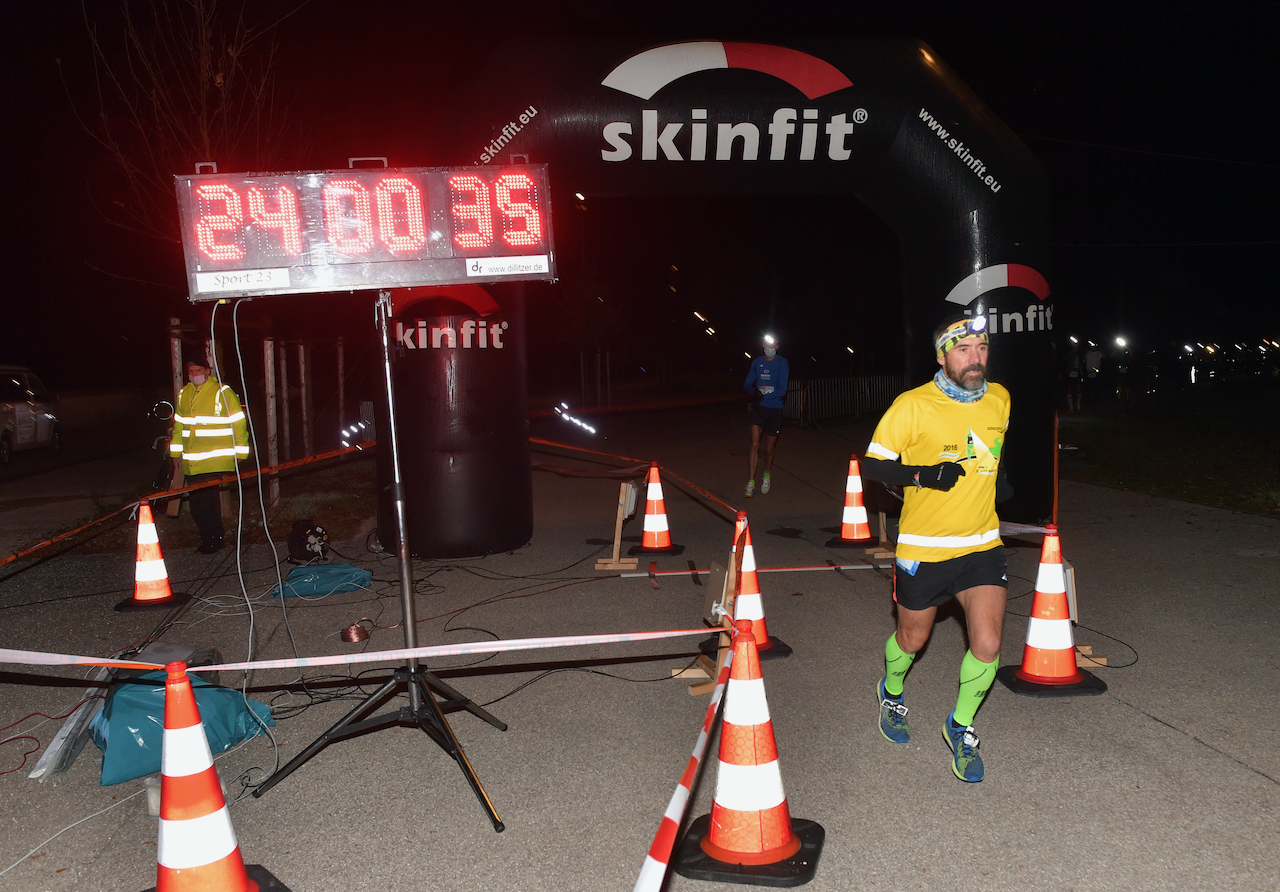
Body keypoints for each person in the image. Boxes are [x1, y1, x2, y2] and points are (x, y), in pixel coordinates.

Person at [861, 314, 1012, 782]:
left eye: (982, 348)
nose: (975, 358)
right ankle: (891, 690)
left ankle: (960, 726)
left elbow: (990, 450)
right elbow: (873, 466)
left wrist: (1000, 479)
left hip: (983, 543)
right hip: (925, 547)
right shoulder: (913, 405)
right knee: (914, 639)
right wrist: (923, 475)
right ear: (943, 355)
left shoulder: (1001, 399)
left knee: (987, 643)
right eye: (964, 349)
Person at [170, 356, 249, 553]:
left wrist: (240, 451)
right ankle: (210, 538)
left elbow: (238, 421)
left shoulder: (223, 391)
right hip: (192, 460)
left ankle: (214, 540)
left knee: (205, 503)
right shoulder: (184, 393)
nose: (194, 375)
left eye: (198, 370)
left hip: (214, 459)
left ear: (207, 371)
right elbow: (179, 426)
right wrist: (175, 451)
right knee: (197, 505)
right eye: (191, 371)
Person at [742, 334, 789, 497]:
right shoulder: (757, 362)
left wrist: (765, 396)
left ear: (777, 346)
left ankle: (767, 474)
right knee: (755, 444)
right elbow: (747, 384)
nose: (769, 348)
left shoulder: (782, 363)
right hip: (759, 409)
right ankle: (751, 481)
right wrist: (754, 391)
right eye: (766, 344)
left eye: (773, 345)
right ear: (762, 344)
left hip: (775, 409)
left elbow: (782, 389)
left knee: (769, 449)